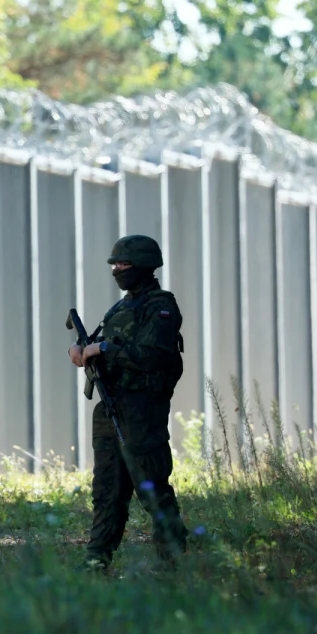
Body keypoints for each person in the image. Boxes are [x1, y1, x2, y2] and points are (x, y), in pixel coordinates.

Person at [68, 234, 190, 572]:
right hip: (110, 407)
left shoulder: (160, 307)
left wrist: (105, 350)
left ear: (143, 266)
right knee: (107, 488)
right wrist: (82, 351)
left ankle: (173, 557)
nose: (117, 270)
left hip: (142, 410)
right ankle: (97, 557)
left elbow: (152, 356)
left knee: (150, 485)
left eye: (123, 264)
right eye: (115, 265)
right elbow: (100, 346)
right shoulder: (120, 308)